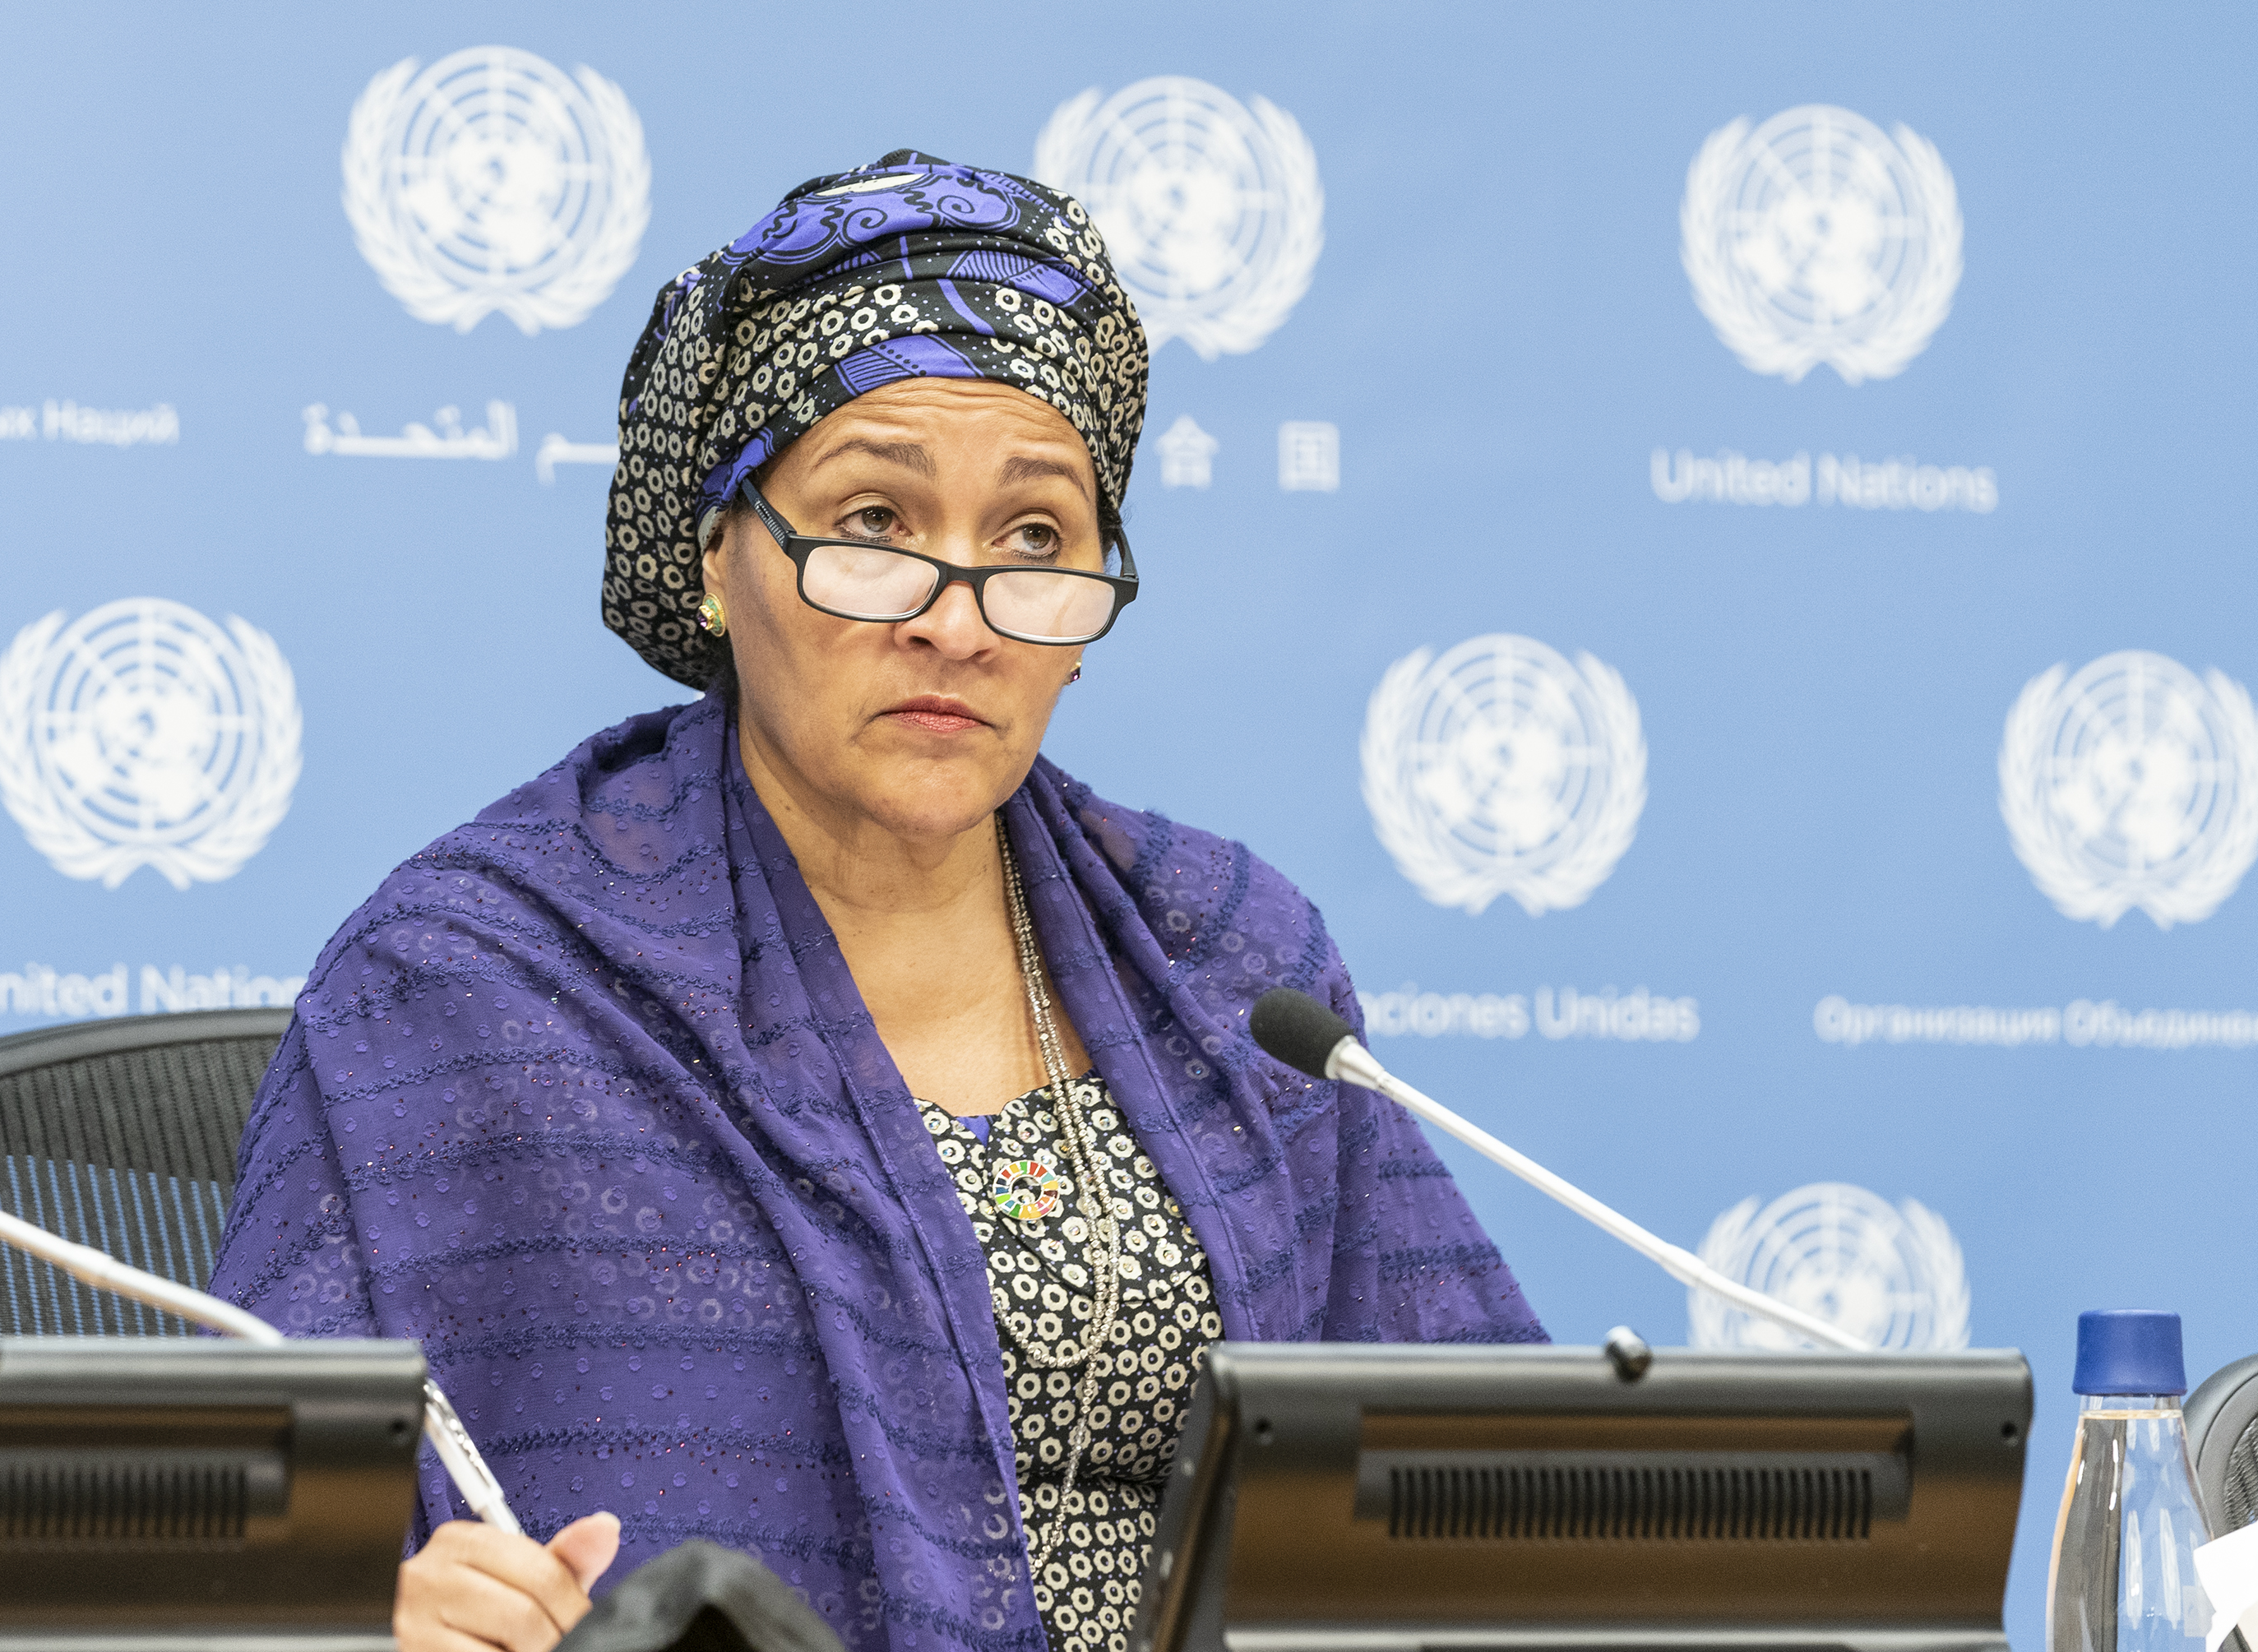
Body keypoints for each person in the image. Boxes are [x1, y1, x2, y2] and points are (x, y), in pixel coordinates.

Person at [209, 150, 1543, 1652]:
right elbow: (250, 1550)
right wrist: (359, 1607)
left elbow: (1470, 1479)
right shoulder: (468, 982)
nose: (958, 617)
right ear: (721, 553)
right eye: (875, 523)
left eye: (1035, 540)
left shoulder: (1231, 953)